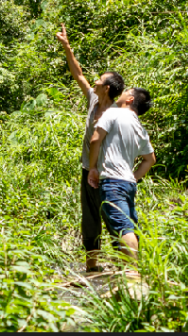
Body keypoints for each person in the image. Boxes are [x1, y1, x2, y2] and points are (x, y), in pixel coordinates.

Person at [55, 23, 125, 272]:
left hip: (108, 174)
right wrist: (67, 47)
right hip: (88, 171)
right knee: (90, 220)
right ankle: (92, 268)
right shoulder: (94, 100)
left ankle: (125, 269)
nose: (94, 81)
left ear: (107, 88)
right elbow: (79, 74)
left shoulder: (117, 114)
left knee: (113, 217)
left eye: (100, 80)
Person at [87, 87, 156, 264]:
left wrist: (93, 167)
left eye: (125, 91)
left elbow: (95, 139)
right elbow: (150, 159)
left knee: (124, 229)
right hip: (128, 184)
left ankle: (132, 276)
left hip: (112, 182)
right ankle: (133, 272)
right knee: (131, 226)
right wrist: (134, 177)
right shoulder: (139, 126)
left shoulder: (113, 114)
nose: (121, 93)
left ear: (130, 99)